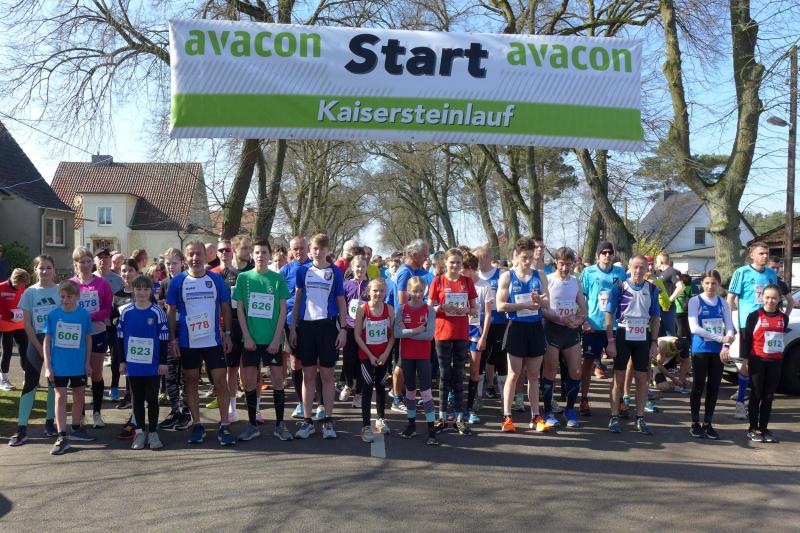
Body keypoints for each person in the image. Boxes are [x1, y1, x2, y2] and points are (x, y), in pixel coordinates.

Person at [166, 240, 235, 446]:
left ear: (206, 256)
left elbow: (225, 306)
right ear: (185, 258)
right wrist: (172, 339)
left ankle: (224, 424)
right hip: (188, 342)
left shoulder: (215, 279)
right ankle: (197, 424)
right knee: (191, 381)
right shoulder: (178, 281)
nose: (195, 258)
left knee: (220, 382)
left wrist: (227, 333)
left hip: (213, 341)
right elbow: (171, 311)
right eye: (191, 254)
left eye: (199, 254)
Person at [289, 233, 347, 440]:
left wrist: (343, 329)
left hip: (328, 327)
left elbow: (341, 302)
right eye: (315, 248)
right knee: (308, 375)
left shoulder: (335, 272)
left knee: (328, 375)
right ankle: (307, 421)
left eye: (322, 248)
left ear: (328, 250)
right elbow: (297, 300)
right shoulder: (302, 271)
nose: (318, 251)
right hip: (306, 327)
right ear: (310, 249)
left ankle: (328, 421)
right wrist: (293, 328)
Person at [233, 238, 292, 442]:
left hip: (272, 340)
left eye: (264, 252)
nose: (260, 256)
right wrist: (247, 336)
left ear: (269, 255)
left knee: (278, 380)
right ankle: (252, 425)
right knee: (249, 381)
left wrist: (276, 339)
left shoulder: (277, 279)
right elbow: (240, 310)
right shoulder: (243, 278)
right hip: (250, 340)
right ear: (252, 254)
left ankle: (280, 425)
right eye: (256, 252)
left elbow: (283, 311)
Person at [496, 237, 550, 433]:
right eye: (524, 257)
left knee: (534, 376)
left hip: (535, 328)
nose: (527, 261)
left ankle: (535, 417)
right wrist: (524, 305)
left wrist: (539, 301)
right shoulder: (507, 276)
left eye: (530, 257)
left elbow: (547, 303)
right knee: (513, 374)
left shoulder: (540, 275)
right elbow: (500, 306)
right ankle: (507, 417)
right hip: (516, 328)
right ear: (516, 256)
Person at [605, 255, 661, 435]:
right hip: (623, 334)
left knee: (642, 379)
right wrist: (610, 341)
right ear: (629, 267)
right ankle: (614, 416)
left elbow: (656, 318)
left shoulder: (652, 288)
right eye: (635, 267)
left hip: (643, 336)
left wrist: (654, 343)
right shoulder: (620, 286)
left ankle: (640, 418)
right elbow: (608, 314)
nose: (638, 270)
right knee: (618, 377)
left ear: (647, 269)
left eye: (642, 267)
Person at [8, 256, 58, 446]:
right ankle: (21, 429)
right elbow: (27, 324)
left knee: (54, 382)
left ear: (54, 269)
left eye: (48, 268)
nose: (45, 271)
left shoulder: (60, 290)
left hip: (57, 342)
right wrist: (39, 347)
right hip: (35, 341)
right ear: (35, 270)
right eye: (41, 268)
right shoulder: (30, 292)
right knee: (30, 383)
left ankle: (50, 423)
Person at [428, 248, 478, 435]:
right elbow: (429, 308)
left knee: (458, 375)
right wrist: (441, 307)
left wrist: (466, 310)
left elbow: (475, 308)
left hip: (461, 333)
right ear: (445, 263)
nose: (455, 265)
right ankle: (442, 417)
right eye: (452, 262)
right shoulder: (438, 281)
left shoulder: (467, 281)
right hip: (442, 333)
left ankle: (459, 418)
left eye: (458, 262)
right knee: (444, 375)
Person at [727, 241, 778, 420]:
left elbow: (776, 297)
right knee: (747, 364)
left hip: (768, 326)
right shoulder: (741, 272)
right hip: (748, 325)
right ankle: (740, 402)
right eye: (761, 253)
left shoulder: (772, 274)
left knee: (766, 363)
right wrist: (730, 324)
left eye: (767, 253)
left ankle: (758, 404)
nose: (765, 256)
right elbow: (730, 298)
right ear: (752, 255)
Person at [117, 275, 169, 449]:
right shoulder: (126, 312)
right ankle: (139, 432)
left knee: (152, 398)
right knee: (137, 399)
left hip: (153, 364)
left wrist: (163, 362)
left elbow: (163, 338)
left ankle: (153, 433)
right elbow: (120, 338)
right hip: (133, 365)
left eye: (146, 289)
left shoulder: (158, 312)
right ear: (133, 290)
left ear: (151, 291)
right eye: (138, 289)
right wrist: (122, 361)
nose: (142, 292)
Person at [44, 280, 95, 455]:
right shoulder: (53, 315)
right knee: (60, 398)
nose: (65, 300)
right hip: (59, 365)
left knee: (79, 396)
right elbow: (47, 342)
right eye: (63, 296)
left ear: (77, 297)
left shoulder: (84, 315)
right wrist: (48, 366)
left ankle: (76, 428)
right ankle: (61, 436)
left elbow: (88, 339)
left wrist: (87, 363)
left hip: (78, 364)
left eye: (69, 297)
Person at [579, 241, 626, 416]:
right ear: (598, 255)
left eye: (610, 252)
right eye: (604, 252)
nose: (607, 255)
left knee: (619, 364)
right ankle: (584, 399)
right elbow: (580, 298)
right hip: (594, 325)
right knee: (588, 362)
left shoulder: (620, 272)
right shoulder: (588, 272)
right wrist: (584, 321)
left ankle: (619, 400)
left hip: (615, 325)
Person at [687, 269, 735, 439]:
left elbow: (729, 327)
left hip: (718, 351)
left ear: (718, 284)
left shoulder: (722, 302)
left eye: (714, 283)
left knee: (714, 388)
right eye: (707, 283)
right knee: (698, 386)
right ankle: (695, 423)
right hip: (701, 349)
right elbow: (694, 328)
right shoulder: (695, 301)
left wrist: (726, 346)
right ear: (702, 283)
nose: (710, 286)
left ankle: (708, 423)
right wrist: (720, 338)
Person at [542, 247, 587, 429]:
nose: (564, 268)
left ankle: (569, 410)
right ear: (556, 263)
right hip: (552, 329)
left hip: (570, 330)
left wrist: (579, 320)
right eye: (561, 264)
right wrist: (560, 319)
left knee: (576, 371)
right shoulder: (548, 280)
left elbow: (582, 307)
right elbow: (543, 309)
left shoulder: (576, 281)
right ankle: (548, 411)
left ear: (573, 264)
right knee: (550, 371)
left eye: (568, 264)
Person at [70, 247, 113, 428]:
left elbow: (108, 309)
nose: (86, 265)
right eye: (82, 262)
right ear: (76, 264)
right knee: (78, 375)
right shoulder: (71, 284)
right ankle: (80, 414)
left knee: (96, 373)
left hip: (97, 332)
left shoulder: (102, 284)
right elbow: (65, 306)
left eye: (89, 261)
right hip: (76, 335)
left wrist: (91, 316)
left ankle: (96, 413)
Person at [740, 284, 787, 443]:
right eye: (767, 297)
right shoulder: (755, 316)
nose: (770, 301)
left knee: (769, 396)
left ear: (779, 299)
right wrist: (745, 360)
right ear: (762, 298)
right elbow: (747, 340)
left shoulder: (783, 318)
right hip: (757, 360)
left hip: (775, 361)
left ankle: (764, 428)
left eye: (774, 298)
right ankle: (753, 428)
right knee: (756, 394)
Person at [394, 276, 438, 444]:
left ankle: (431, 430)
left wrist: (407, 332)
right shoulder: (402, 309)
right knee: (410, 392)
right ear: (408, 291)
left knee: (426, 392)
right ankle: (411, 425)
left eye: (420, 291)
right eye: (414, 291)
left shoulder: (430, 310)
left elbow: (429, 335)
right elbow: (396, 333)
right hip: (407, 356)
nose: (417, 294)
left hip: (423, 356)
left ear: (425, 290)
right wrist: (417, 329)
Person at [390, 239, 430, 413]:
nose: (426, 258)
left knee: (407, 363)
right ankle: (396, 398)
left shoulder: (415, 271)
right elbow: (402, 302)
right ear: (414, 255)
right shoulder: (405, 272)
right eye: (424, 255)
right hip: (404, 326)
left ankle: (404, 395)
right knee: (401, 363)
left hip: (413, 326)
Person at [354, 278, 395, 442]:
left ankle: (380, 419)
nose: (378, 294)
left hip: (383, 355)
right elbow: (357, 335)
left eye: (382, 291)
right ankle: (365, 425)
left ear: (386, 292)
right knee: (367, 386)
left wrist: (385, 354)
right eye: (375, 290)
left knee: (381, 386)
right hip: (366, 356)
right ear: (368, 292)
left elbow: (392, 335)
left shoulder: (389, 309)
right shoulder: (362, 310)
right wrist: (370, 355)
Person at [210, 238, 244, 423]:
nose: (224, 253)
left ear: (233, 252)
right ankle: (222, 401)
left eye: (227, 250)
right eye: (221, 250)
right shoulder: (210, 274)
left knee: (233, 368)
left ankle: (232, 408)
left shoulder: (240, 275)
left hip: (235, 325)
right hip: (215, 326)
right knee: (218, 370)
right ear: (217, 253)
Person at [280, 236, 312, 419]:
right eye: (295, 249)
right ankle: (301, 402)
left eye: (302, 247)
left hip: (312, 321)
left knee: (314, 364)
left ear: (307, 247)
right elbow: (279, 297)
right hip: (291, 322)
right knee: (295, 362)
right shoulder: (285, 270)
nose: (299, 251)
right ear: (290, 250)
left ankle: (319, 403)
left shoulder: (315, 267)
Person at [461, 251, 493, 424]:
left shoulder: (484, 286)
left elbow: (488, 314)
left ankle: (470, 408)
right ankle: (456, 404)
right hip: (458, 331)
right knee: (457, 369)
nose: (460, 273)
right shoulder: (459, 284)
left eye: (463, 270)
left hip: (475, 332)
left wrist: (484, 337)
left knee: (474, 371)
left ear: (471, 268)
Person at [475, 245, 508, 401]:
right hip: (478, 324)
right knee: (480, 361)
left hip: (498, 323)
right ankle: (479, 397)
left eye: (478, 258)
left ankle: (504, 399)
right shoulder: (474, 276)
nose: (475, 261)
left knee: (500, 360)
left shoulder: (501, 275)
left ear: (488, 258)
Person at [95, 248, 124, 401]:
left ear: (110, 261)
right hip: (95, 324)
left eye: (106, 257)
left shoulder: (118, 279)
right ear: (95, 261)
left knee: (115, 357)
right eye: (100, 257)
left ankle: (114, 387)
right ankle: (95, 387)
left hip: (113, 324)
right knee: (94, 359)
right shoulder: (90, 278)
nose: (103, 260)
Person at [341, 254, 369, 406]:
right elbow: (342, 306)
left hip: (364, 329)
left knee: (361, 360)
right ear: (352, 267)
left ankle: (358, 393)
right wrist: (342, 326)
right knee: (348, 359)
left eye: (363, 266)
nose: (360, 269)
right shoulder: (346, 285)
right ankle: (348, 383)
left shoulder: (370, 286)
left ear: (366, 268)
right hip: (350, 327)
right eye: (357, 266)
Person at [1, 268, 31, 390]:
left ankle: (27, 378)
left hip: (20, 325)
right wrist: (6, 314)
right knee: (7, 351)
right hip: (5, 325)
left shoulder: (23, 288)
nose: (22, 287)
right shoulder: (1, 287)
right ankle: (3, 380)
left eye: (24, 285)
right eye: (20, 284)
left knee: (24, 351)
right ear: (14, 280)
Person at [656, 253, 682, 336]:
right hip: (660, 308)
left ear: (661, 261)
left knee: (669, 334)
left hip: (668, 309)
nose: (656, 263)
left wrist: (669, 301)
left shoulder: (672, 271)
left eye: (657, 261)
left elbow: (680, 287)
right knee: (661, 333)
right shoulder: (662, 273)